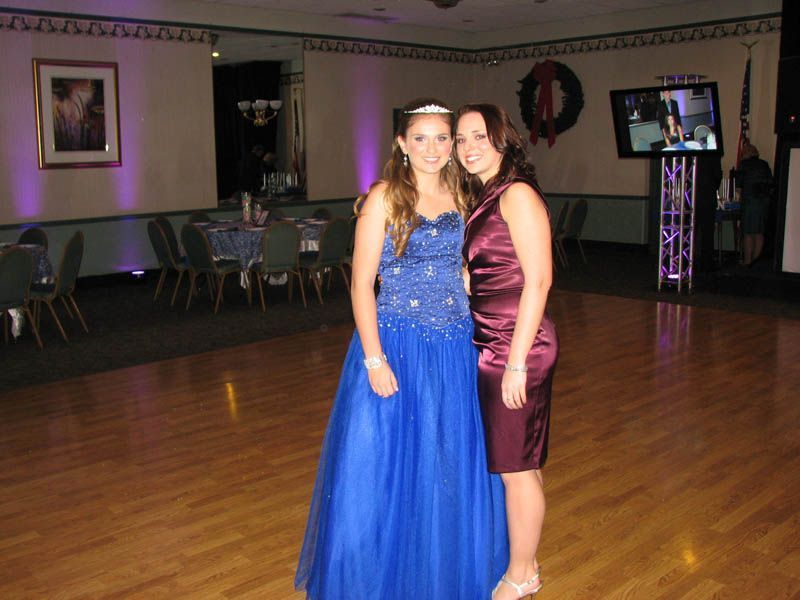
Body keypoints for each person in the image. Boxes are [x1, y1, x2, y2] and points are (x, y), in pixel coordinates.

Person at [295, 97, 508, 599]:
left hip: (455, 345)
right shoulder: (385, 197)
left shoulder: (463, 194)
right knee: (387, 467)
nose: (433, 148)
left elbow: (467, 270)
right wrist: (373, 357)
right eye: (421, 138)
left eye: (442, 137)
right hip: (395, 343)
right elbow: (361, 283)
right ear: (401, 144)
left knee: (449, 461)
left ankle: (448, 572)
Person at [456, 103, 558, 600]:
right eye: (461, 139)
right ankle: (529, 561)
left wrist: (516, 361)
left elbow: (538, 280)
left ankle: (521, 576)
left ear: (504, 140)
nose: (468, 147)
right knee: (522, 462)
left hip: (516, 344)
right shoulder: (487, 194)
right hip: (494, 341)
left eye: (479, 136)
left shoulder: (515, 194)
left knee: (516, 469)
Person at [736, 140, 773, 266]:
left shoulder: (744, 165)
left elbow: (739, 186)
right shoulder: (764, 164)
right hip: (763, 202)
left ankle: (747, 261)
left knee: (748, 233)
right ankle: (755, 261)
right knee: (759, 233)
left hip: (750, 201)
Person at [694, 153, 723, 273]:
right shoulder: (713, 155)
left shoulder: (693, 155)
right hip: (708, 197)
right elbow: (718, 176)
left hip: (692, 197)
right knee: (708, 234)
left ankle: (688, 261)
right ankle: (707, 263)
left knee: (691, 231)